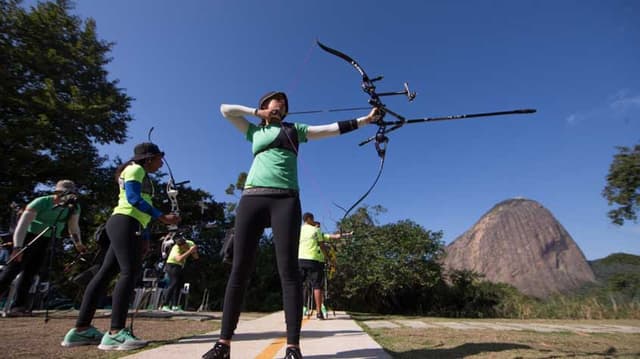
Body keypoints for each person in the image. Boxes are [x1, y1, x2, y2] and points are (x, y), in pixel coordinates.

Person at [202, 92, 379, 359]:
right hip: (252, 198)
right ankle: (223, 344)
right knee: (239, 270)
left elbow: (329, 129)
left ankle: (293, 347)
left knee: (289, 272)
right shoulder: (252, 130)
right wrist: (256, 113)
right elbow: (225, 109)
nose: (282, 104)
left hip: (285, 200)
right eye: (276, 101)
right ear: (264, 106)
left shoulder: (294, 129)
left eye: (284, 104)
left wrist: (365, 120)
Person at [61, 142, 180, 350]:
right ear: (149, 158)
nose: (161, 163)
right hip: (126, 222)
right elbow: (133, 199)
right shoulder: (135, 169)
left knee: (105, 274)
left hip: (125, 224)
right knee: (129, 273)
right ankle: (116, 332)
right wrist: (162, 217)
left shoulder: (136, 171)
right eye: (159, 159)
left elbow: (137, 203)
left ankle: (80, 330)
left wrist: (145, 234)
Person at [0, 180, 86, 316]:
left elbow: (73, 227)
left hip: (48, 239)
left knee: (31, 272)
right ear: (57, 193)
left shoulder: (73, 207)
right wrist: (17, 248)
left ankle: (18, 307)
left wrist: (78, 244)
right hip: (27, 237)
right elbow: (22, 225)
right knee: (12, 270)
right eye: (65, 193)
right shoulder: (41, 202)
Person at [298, 213, 349, 320]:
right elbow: (322, 245)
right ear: (309, 219)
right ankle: (318, 311)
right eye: (314, 221)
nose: (316, 223)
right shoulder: (316, 231)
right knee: (317, 286)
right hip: (314, 261)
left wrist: (345, 234)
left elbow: (334, 236)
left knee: (298, 285)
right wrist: (329, 259)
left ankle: (296, 310)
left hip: (300, 260)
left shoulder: (299, 230)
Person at [161, 236, 198, 311]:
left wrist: (194, 251)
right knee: (173, 283)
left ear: (185, 243)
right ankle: (164, 305)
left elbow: (196, 257)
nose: (181, 247)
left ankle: (175, 306)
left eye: (182, 246)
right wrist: (189, 251)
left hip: (180, 266)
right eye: (179, 246)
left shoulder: (191, 243)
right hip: (172, 264)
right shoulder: (176, 248)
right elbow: (179, 259)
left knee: (178, 285)